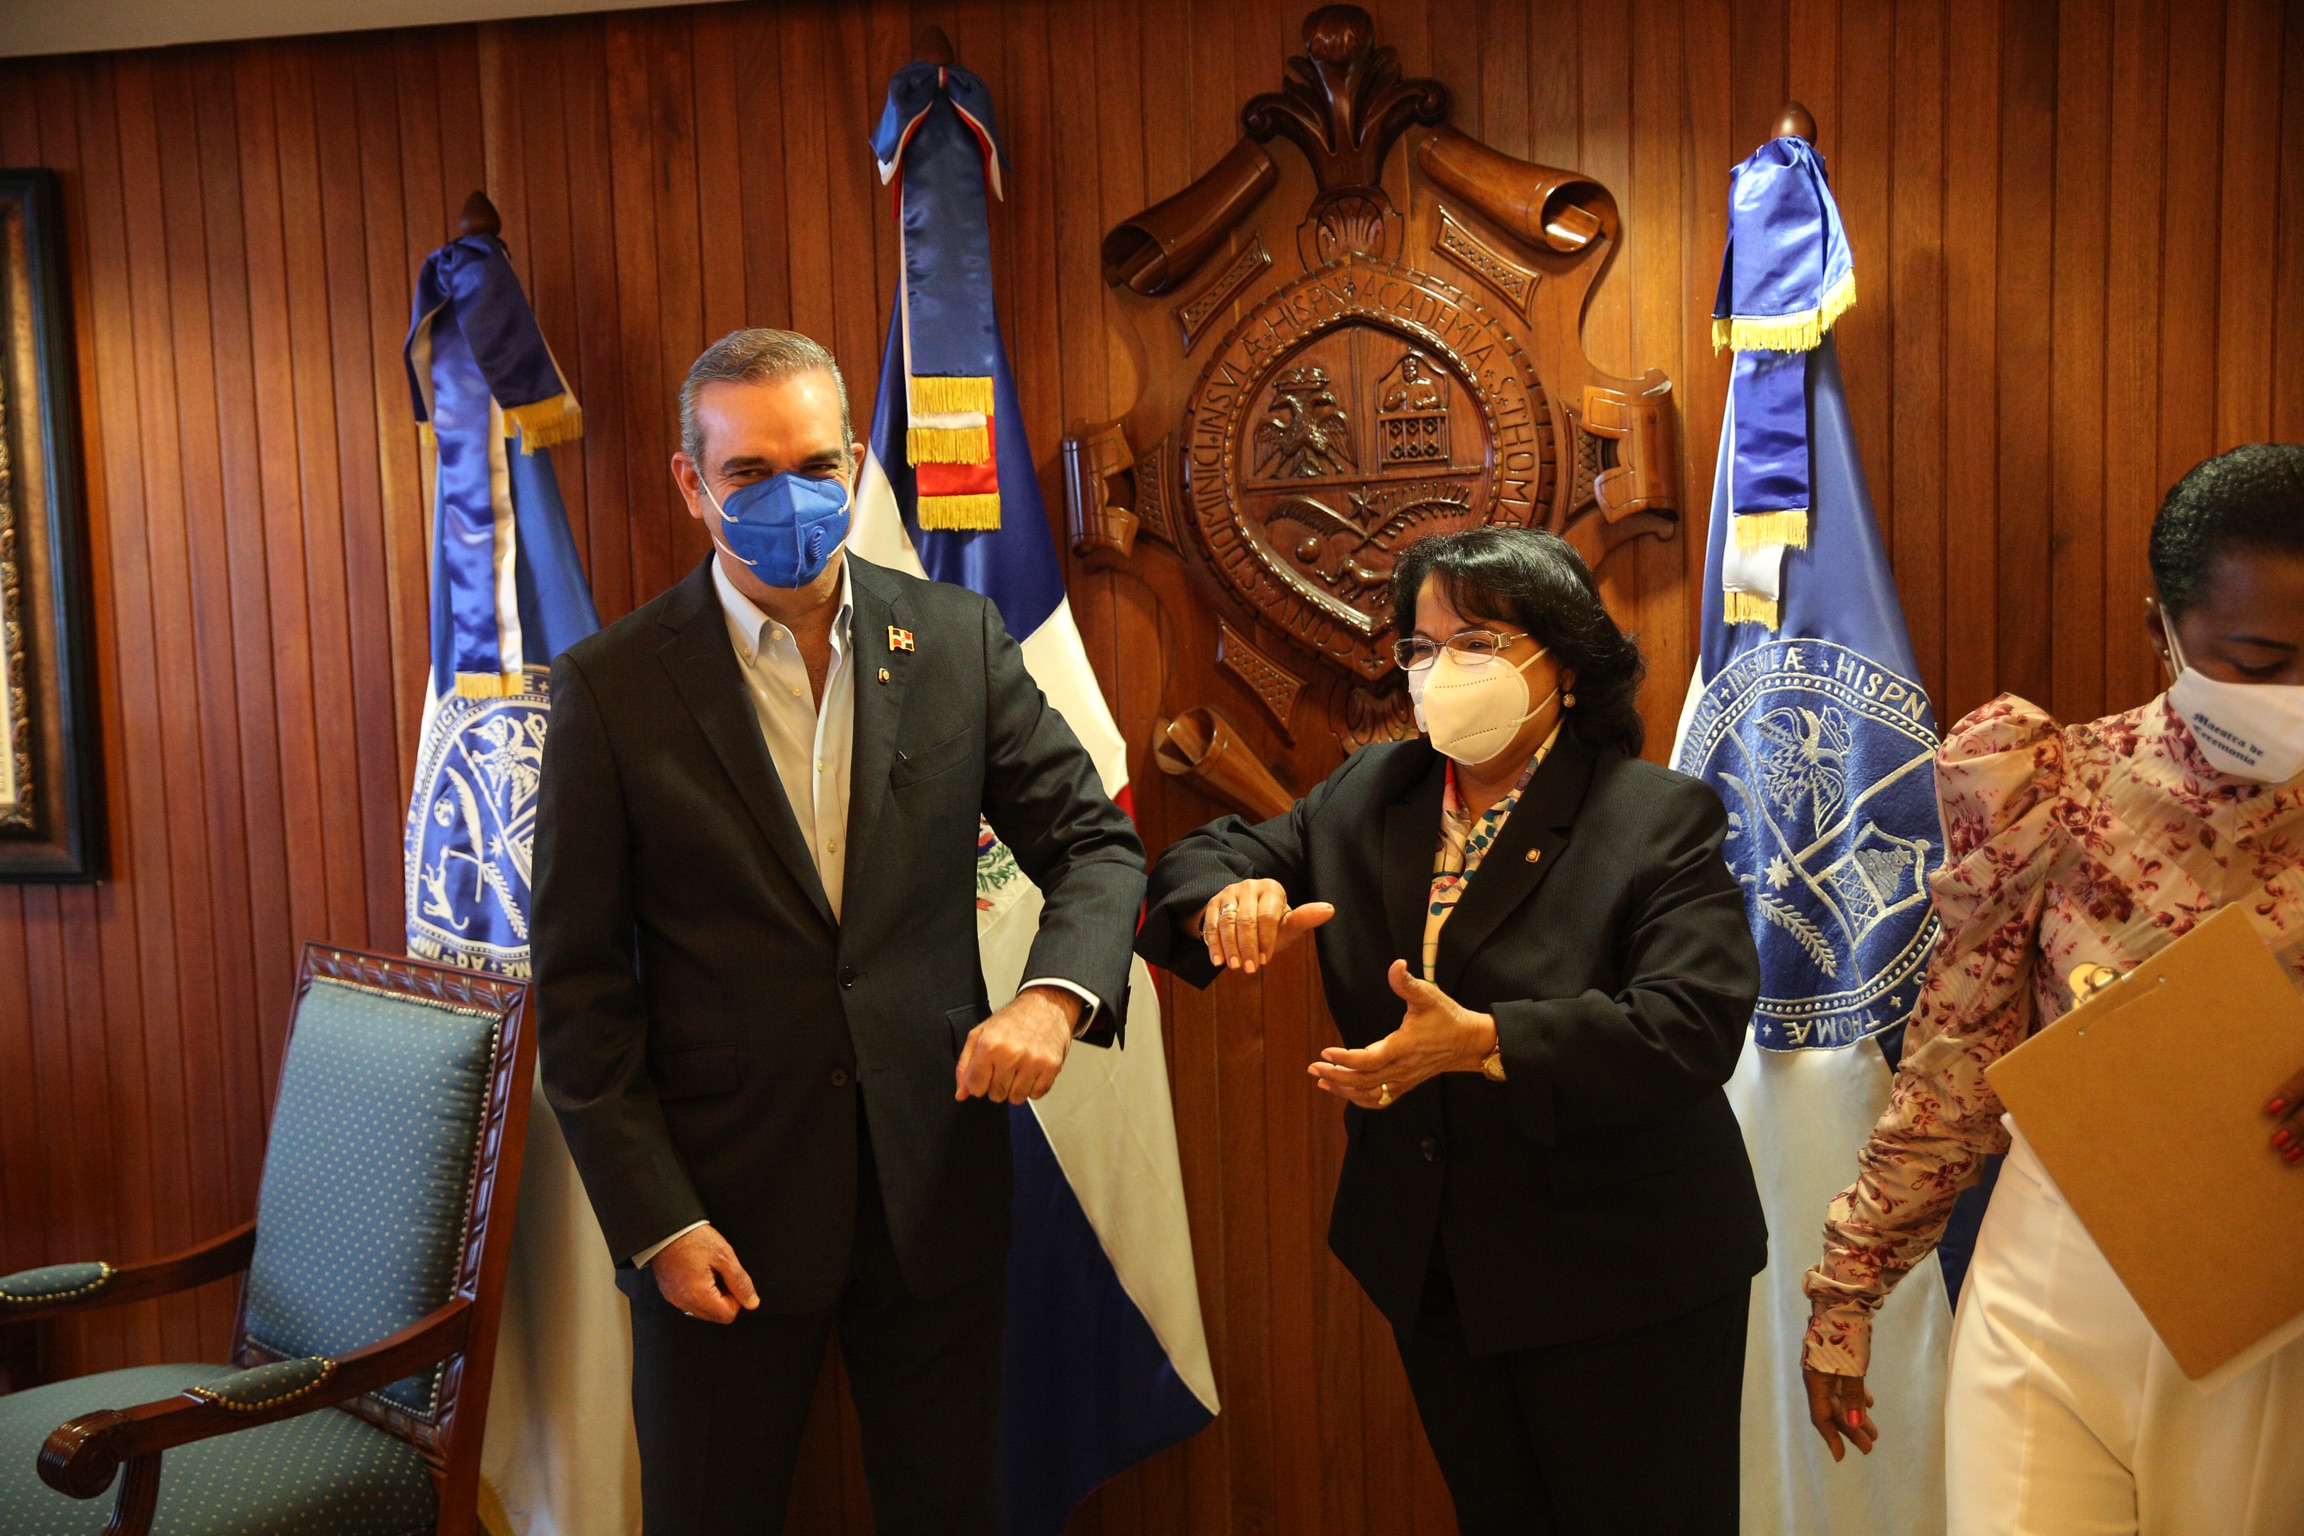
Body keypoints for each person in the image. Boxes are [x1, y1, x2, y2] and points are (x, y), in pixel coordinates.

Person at [532, 329, 1145, 1535]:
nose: (791, 497)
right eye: (749, 472)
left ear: (857, 462)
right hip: (718, 1213)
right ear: (691, 483)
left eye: (817, 465)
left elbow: (1094, 844)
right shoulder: (611, 686)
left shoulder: (957, 639)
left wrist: (1051, 997)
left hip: (935, 1188)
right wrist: (659, 1221)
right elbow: (582, 990)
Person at [1138, 526, 1767, 1535]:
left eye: (1477, 643)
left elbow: (1689, 1024)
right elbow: (1203, 859)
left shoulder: (1653, 816)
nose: (1441, 672)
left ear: (1565, 663)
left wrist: (1482, 1042)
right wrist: (1231, 893)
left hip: (1623, 1272)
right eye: (1422, 648)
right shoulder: (1373, 790)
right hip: (1439, 1266)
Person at [1801, 443, 2304, 1535]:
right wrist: (1848, 1290)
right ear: (2161, 630)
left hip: (2270, 1307)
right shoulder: (2047, 786)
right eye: (2260, 661)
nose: (2294, 696)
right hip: (2051, 1282)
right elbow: (1954, 1059)